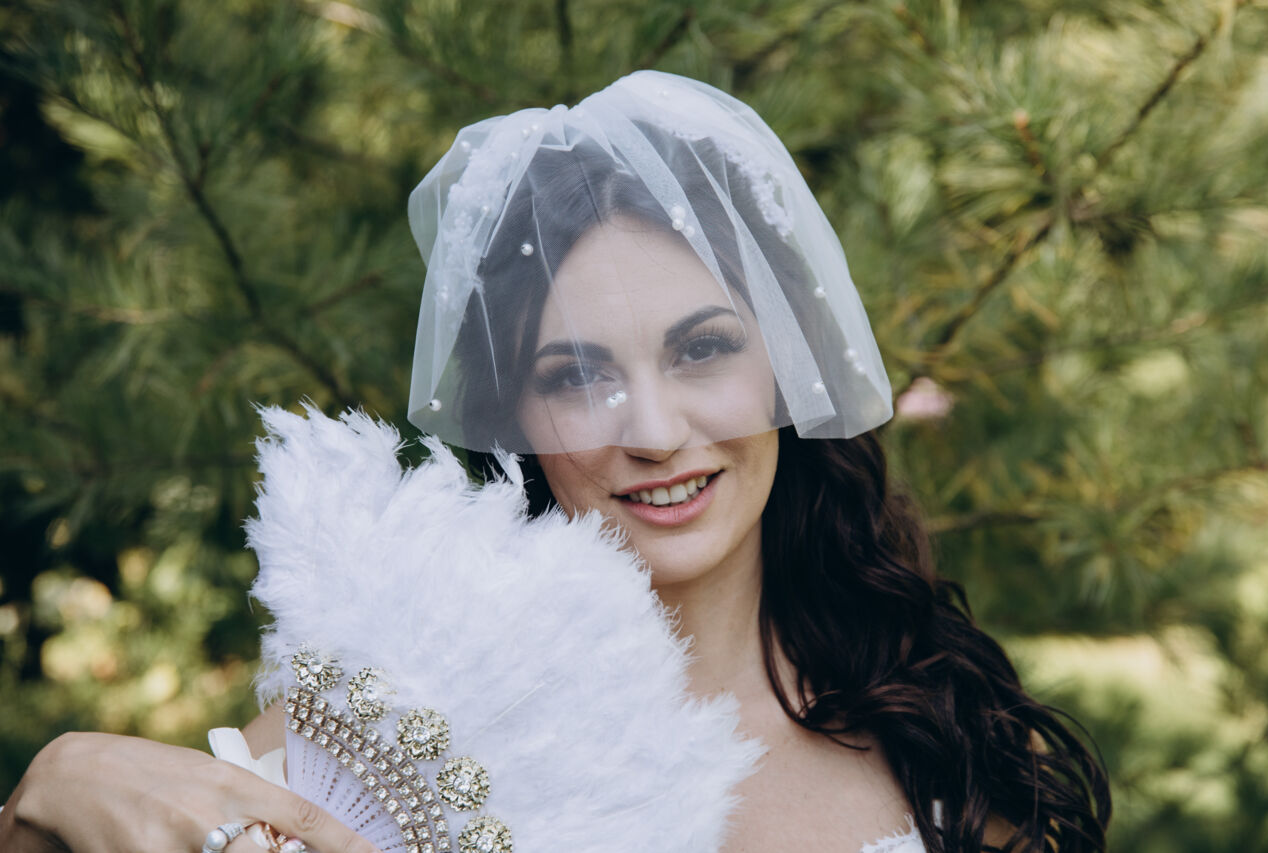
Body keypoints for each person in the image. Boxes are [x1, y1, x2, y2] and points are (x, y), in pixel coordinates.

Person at [0, 71, 1110, 853]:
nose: (653, 429)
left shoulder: (935, 729)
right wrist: (40, 801)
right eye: (577, 374)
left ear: (783, 365)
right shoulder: (397, 718)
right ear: (515, 415)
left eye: (702, 349)